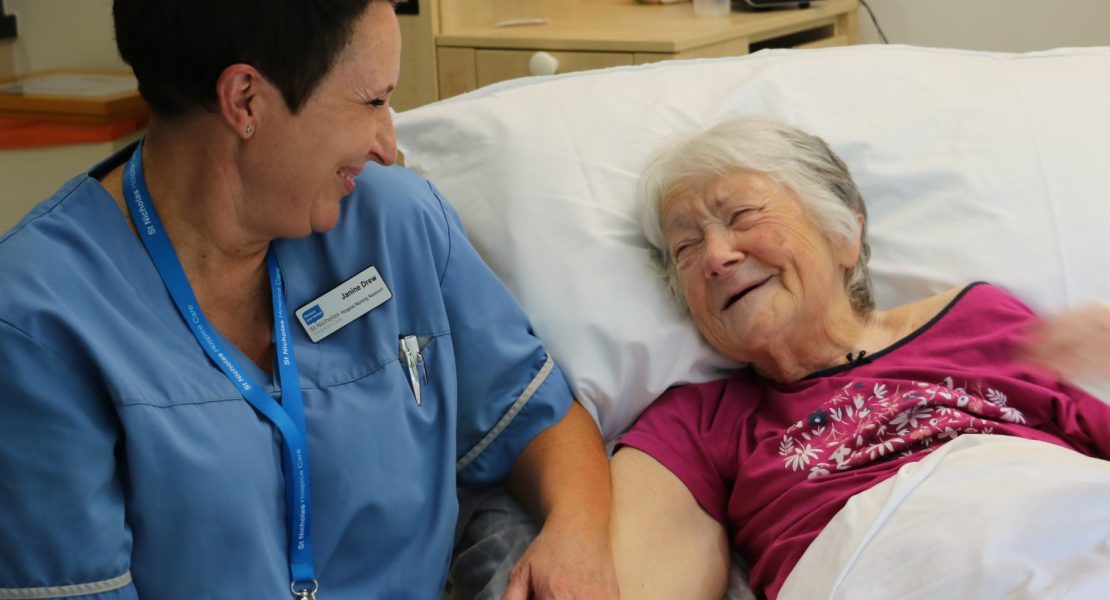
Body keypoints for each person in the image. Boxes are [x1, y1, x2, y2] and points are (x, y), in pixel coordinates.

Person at [0, 1, 617, 598]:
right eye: (372, 101)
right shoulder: (38, 323)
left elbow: (540, 419)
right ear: (245, 100)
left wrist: (576, 537)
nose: (386, 142)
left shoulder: (395, 224)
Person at [608, 116, 1110, 599]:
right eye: (686, 247)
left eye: (742, 216)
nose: (717, 256)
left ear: (843, 232)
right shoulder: (693, 426)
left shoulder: (981, 319)